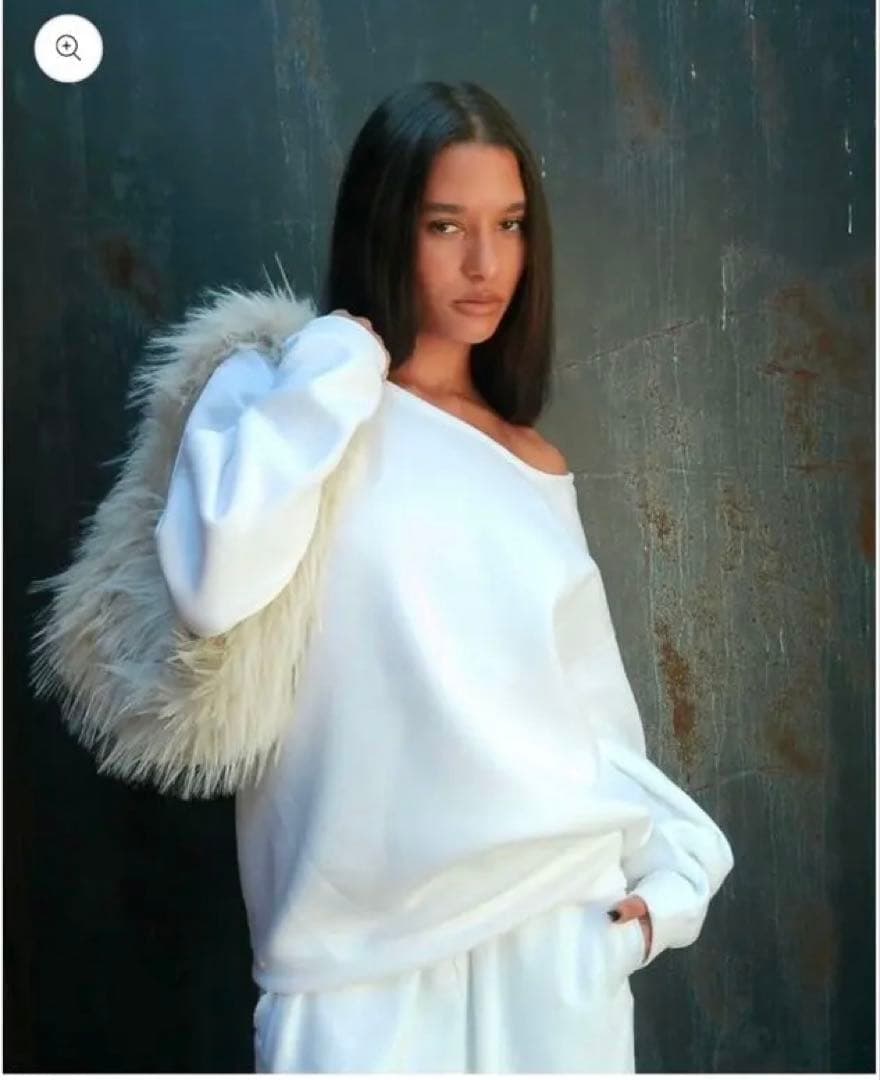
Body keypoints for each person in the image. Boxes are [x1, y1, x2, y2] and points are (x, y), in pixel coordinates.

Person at [154, 80, 734, 1074]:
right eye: (445, 225)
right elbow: (211, 590)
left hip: (553, 934)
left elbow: (595, 720)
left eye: (508, 225)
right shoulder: (285, 393)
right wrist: (340, 356)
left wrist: (663, 896)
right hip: (348, 965)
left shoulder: (531, 462)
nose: (484, 264)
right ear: (386, 225)